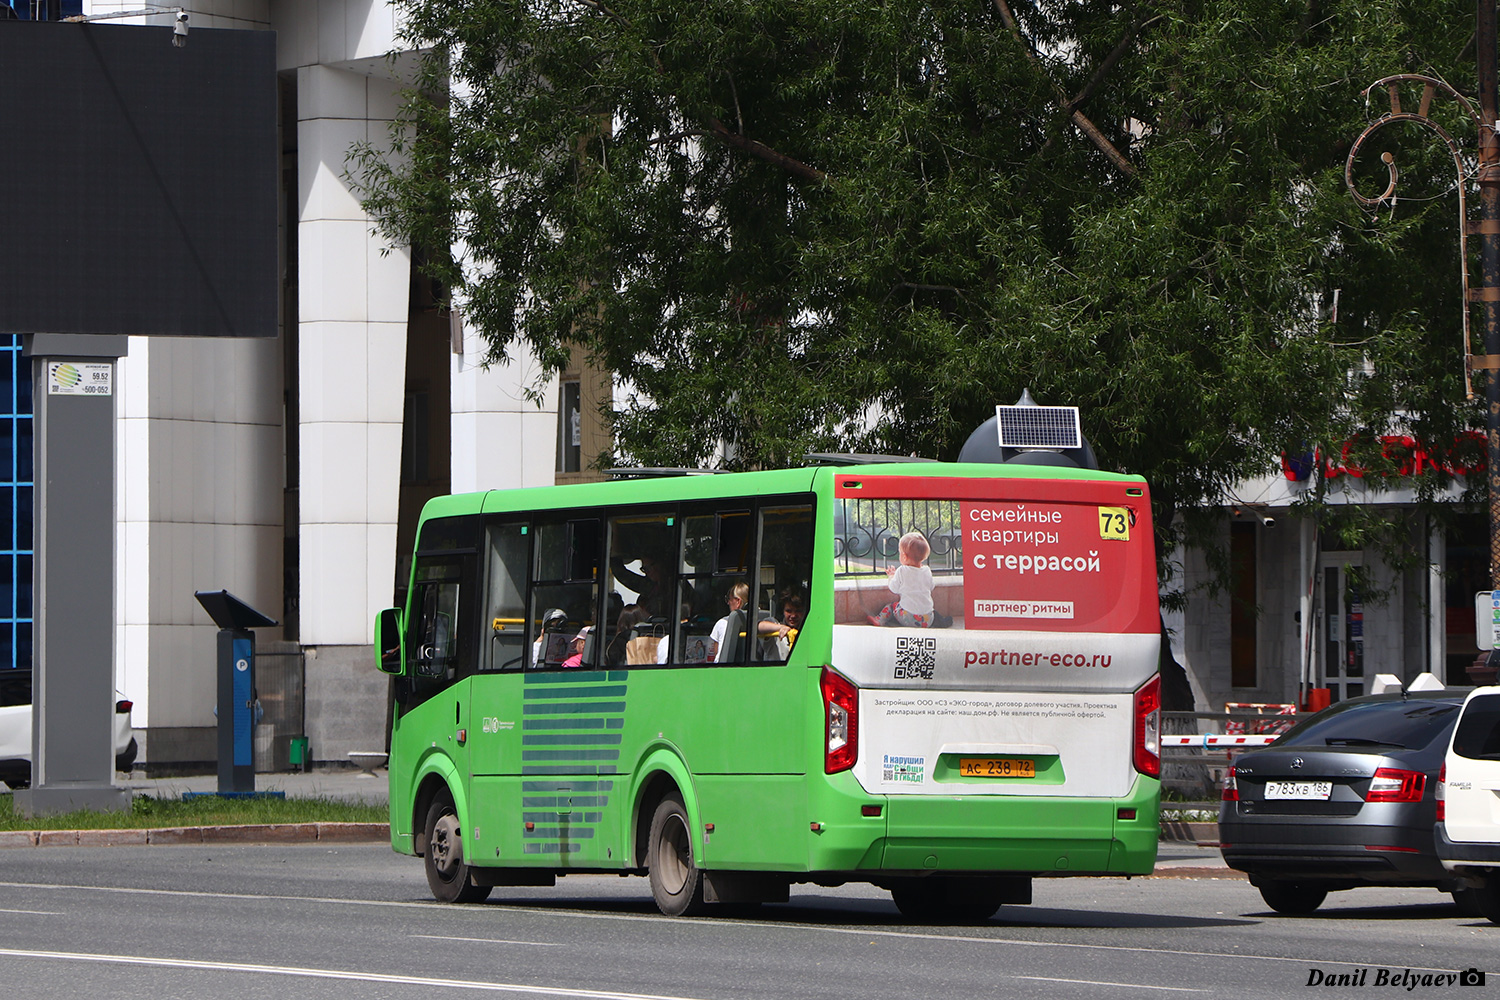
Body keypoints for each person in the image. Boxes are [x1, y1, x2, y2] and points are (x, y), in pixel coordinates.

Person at [710, 580, 791, 662]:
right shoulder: (762, 617)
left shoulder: (722, 623)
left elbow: (718, 656)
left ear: (738, 601)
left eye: (729, 599)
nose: (728, 603)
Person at [869, 531, 935, 628]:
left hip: (909, 617)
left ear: (904, 556)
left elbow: (894, 588)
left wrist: (891, 576)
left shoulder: (902, 570)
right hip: (928, 619)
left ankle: (879, 620)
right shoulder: (927, 570)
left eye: (900, 552)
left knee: (891, 607)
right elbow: (931, 586)